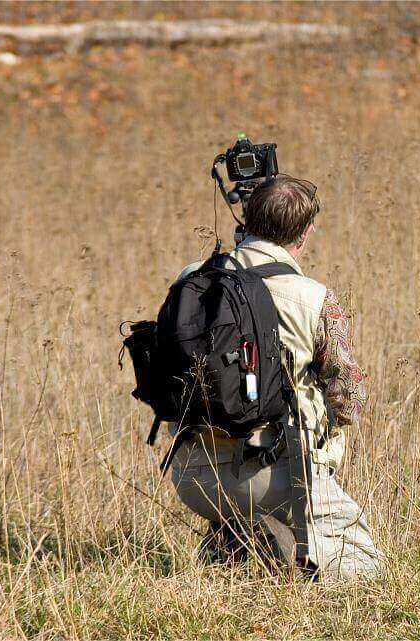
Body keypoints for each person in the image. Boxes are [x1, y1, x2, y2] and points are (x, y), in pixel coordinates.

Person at [168, 174, 382, 582]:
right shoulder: (314, 298)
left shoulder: (192, 277)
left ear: (245, 220)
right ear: (305, 232)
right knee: (367, 571)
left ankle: (238, 540)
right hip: (276, 476)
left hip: (191, 474)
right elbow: (349, 399)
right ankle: (271, 541)